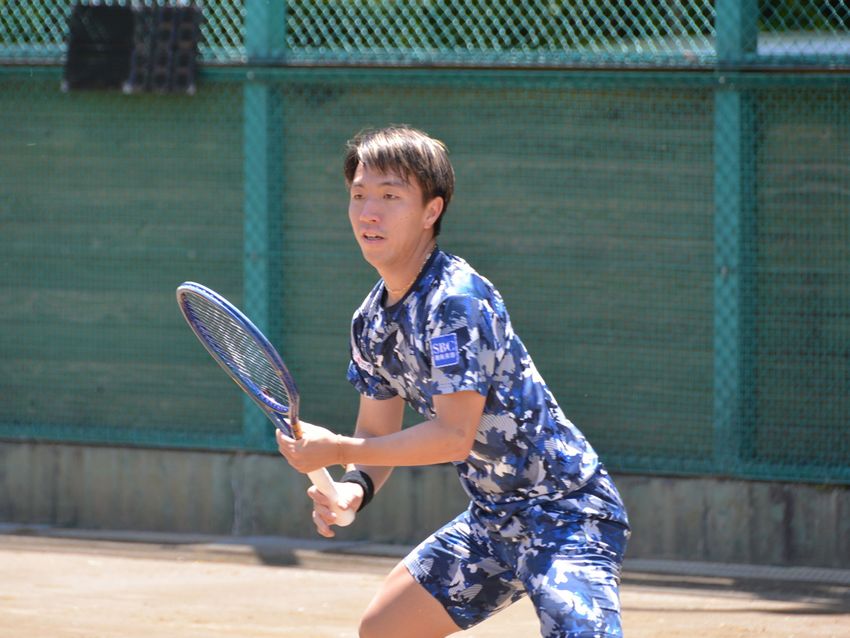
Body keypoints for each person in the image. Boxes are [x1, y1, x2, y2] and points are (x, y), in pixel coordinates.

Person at [276, 125, 630, 638]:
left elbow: (452, 436)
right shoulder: (370, 321)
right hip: (491, 523)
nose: (368, 212)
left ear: (431, 211)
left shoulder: (455, 300)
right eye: (358, 195)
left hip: (568, 515)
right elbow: (375, 433)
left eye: (390, 197)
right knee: (384, 630)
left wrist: (335, 449)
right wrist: (354, 488)